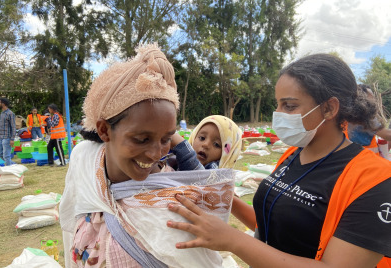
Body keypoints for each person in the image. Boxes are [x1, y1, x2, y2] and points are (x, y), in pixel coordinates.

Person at [166, 54, 391, 267]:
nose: (278, 114)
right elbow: (274, 223)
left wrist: (233, 240)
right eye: (278, 104)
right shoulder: (293, 155)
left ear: (329, 108)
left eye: (289, 106)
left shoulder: (375, 180)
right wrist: (225, 198)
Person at [59, 44, 235, 268]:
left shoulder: (174, 202)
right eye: (142, 139)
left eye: (166, 139)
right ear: (104, 131)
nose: (155, 154)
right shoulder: (85, 160)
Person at [166, 115, 242, 171]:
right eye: (202, 138)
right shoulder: (176, 160)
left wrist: (182, 147)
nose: (206, 145)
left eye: (216, 144)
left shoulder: (217, 174)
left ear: (227, 156)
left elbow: (200, 178)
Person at [345, 84, 391, 157]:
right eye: (371, 96)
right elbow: (387, 135)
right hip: (364, 159)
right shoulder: (365, 115)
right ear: (362, 98)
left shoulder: (347, 114)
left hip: (349, 158)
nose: (374, 99)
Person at [0, 97, 16, 166]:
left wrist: (12, 139)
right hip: (1, 137)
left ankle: (9, 171)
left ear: (3, 104)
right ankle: (13, 165)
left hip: (7, 138)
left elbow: (13, 127)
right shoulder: (2, 113)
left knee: (6, 156)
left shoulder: (10, 113)